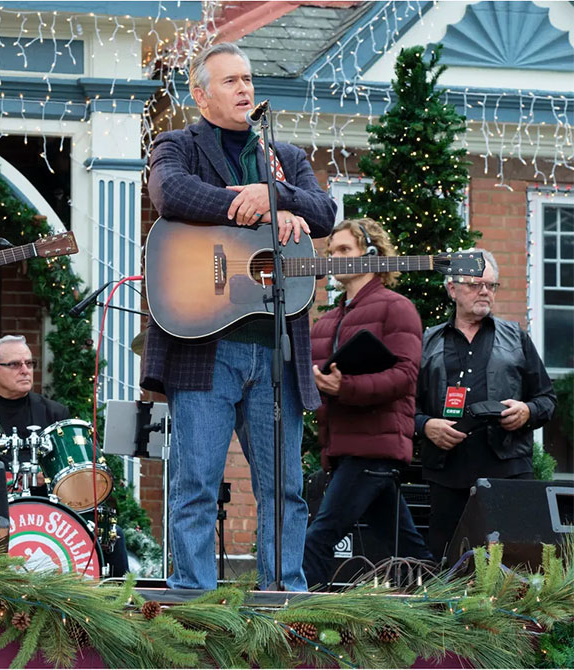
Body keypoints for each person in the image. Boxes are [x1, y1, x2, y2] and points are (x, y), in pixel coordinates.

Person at [141, 42, 337, 591]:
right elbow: (169, 192)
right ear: (201, 95)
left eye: (248, 78)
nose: (245, 89)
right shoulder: (176, 144)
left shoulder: (284, 157)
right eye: (230, 81)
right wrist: (240, 205)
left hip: (276, 347)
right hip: (205, 345)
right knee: (196, 483)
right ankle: (194, 596)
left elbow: (323, 212)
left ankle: (284, 596)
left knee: (285, 487)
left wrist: (268, 192)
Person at [0, 335, 129, 576]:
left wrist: (46, 477)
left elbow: (73, 474)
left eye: (29, 363)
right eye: (15, 364)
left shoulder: (55, 413)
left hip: (47, 513)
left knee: (114, 534)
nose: (25, 370)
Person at [302, 219, 433, 589]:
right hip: (344, 448)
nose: (335, 259)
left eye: (345, 250)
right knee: (408, 547)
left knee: (318, 538)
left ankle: (304, 623)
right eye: (332, 253)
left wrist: (345, 387)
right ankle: (449, 604)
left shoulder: (397, 308)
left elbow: (406, 377)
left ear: (371, 255)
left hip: (374, 449)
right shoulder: (326, 321)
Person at [415, 248, 556, 562]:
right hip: (446, 473)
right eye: (475, 284)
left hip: (507, 470)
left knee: (514, 564)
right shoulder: (428, 341)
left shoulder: (516, 338)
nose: (484, 292)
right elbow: (405, 408)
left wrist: (527, 412)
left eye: (491, 286)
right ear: (452, 289)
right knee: (448, 564)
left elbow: (547, 399)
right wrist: (426, 425)